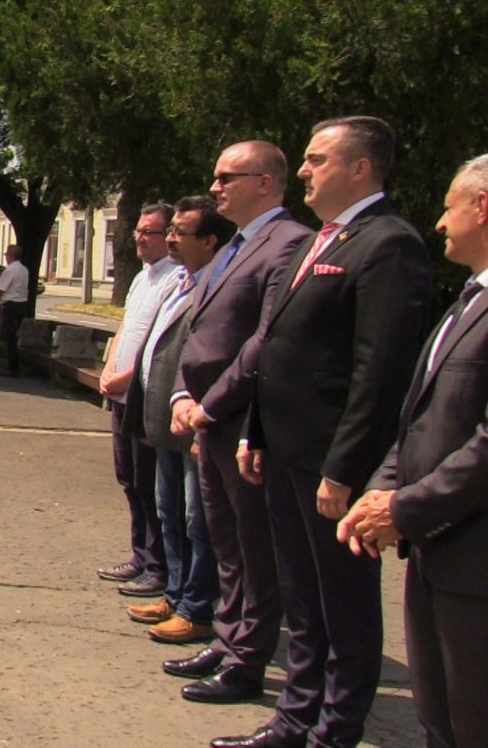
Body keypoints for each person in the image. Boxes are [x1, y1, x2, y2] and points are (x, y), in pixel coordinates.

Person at [219, 117, 432, 748]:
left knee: (343, 603)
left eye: (316, 160)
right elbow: (278, 348)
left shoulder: (388, 244)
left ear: (361, 168)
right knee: (302, 599)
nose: (304, 171)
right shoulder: (319, 241)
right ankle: (295, 717)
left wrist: (345, 470)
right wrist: (255, 432)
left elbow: (380, 370)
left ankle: (334, 730)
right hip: (283, 451)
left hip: (332, 464)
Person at [337, 154, 488, 748]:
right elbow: (423, 417)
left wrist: (403, 509)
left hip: (473, 557)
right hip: (438, 548)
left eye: (450, 207)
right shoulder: (469, 299)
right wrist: (384, 486)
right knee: (442, 719)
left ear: (483, 207)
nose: (440, 222)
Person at [166, 141, 311, 704]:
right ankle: (226, 641)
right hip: (207, 419)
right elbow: (197, 332)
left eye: (230, 176)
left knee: (254, 546)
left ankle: (248, 657)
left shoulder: (287, 244)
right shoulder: (234, 248)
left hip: (242, 420)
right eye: (217, 175)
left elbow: (264, 340)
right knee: (224, 539)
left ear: (267, 183)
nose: (217, 185)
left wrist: (213, 404)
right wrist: (183, 392)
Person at [124, 196, 233, 644]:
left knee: (196, 520)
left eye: (179, 233)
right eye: (168, 231)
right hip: (165, 418)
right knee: (168, 512)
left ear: (209, 241)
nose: (170, 238)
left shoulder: (217, 285)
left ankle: (197, 606)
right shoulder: (178, 282)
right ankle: (175, 592)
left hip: (193, 423)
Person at [96, 203, 178, 598]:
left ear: (170, 235)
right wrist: (109, 370)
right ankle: (140, 556)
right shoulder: (141, 280)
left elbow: (160, 343)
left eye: (150, 232)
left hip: (146, 397)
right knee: (128, 478)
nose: (140, 238)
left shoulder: (176, 279)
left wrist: (128, 377)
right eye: (139, 232)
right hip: (122, 395)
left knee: (150, 484)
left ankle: (159, 565)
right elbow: (127, 328)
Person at [0, 244, 29, 377]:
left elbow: (1, 289)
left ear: (10, 256)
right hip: (22, 304)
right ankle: (14, 365)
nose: (6, 257)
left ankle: (12, 368)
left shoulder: (10, 270)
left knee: (9, 337)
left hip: (10, 305)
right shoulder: (24, 270)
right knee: (14, 336)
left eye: (6, 254)